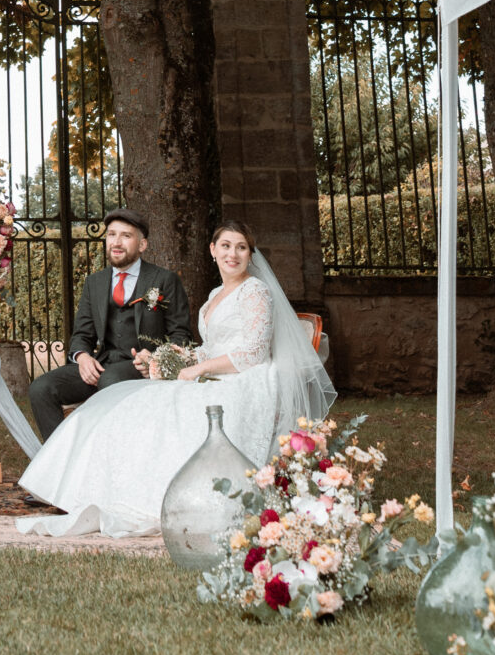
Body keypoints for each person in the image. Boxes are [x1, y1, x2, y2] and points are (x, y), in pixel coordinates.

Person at [17, 218, 337, 537]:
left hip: (244, 379)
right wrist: (166, 360)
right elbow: (208, 348)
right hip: (206, 372)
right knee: (139, 401)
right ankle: (76, 484)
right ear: (212, 250)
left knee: (159, 405)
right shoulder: (216, 295)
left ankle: (150, 495)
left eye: (241, 248)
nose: (232, 254)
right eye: (226, 246)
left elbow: (253, 352)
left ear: (250, 255)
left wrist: (199, 369)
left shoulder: (256, 291)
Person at [26, 209, 192, 439]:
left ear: (142, 244)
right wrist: (82, 358)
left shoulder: (164, 279)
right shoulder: (95, 282)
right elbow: (81, 334)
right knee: (41, 388)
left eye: (126, 236)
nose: (116, 242)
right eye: (112, 234)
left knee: (110, 381)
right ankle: (62, 453)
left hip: (141, 368)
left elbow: (181, 335)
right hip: (103, 366)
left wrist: (155, 360)